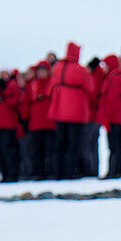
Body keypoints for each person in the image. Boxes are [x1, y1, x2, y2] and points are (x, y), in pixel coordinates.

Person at [48, 42, 96, 179]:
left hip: (58, 111)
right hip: (76, 112)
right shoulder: (79, 69)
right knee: (73, 143)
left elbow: (50, 88)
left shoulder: (57, 67)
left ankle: (57, 171)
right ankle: (70, 172)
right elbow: (90, 87)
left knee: (60, 143)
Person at [0, 69, 22, 182]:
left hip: (8, 123)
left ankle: (11, 174)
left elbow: (14, 101)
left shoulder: (12, 86)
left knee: (8, 150)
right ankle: (2, 174)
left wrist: (3, 94)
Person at [27, 61, 57, 179]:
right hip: (35, 123)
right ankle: (38, 173)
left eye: (44, 70)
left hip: (49, 122)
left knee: (49, 149)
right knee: (36, 150)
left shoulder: (52, 83)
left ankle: (50, 171)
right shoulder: (32, 84)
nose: (41, 72)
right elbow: (26, 101)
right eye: (40, 70)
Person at [86, 56, 107, 176]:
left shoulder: (95, 78)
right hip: (95, 115)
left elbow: (92, 96)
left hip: (92, 115)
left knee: (89, 143)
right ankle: (93, 169)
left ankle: (91, 170)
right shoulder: (100, 77)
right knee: (93, 143)